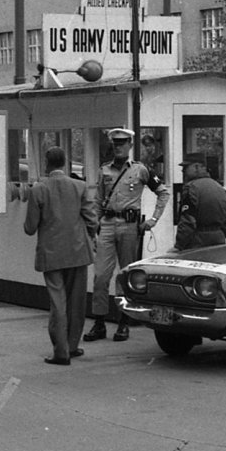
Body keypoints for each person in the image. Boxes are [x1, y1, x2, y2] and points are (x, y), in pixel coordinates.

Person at [85, 128, 170, 343]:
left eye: (122, 143)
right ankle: (99, 323)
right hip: (107, 224)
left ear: (130, 145)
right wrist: (93, 229)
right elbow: (98, 201)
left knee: (126, 276)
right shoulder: (104, 170)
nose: (119, 147)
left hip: (130, 227)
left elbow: (163, 192)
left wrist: (153, 219)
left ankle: (124, 322)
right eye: (115, 144)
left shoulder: (141, 170)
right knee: (100, 276)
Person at [23, 147, 97, 365]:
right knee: (76, 301)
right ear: (65, 162)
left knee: (58, 302)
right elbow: (92, 219)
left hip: (51, 253)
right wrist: (89, 236)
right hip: (78, 251)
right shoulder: (80, 186)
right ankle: (73, 346)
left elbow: (30, 227)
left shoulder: (39, 189)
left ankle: (61, 351)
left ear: (47, 163)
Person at [174, 152, 226, 251]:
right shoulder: (220, 188)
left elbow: (188, 221)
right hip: (218, 240)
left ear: (197, 167)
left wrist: (178, 246)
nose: (183, 171)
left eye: (186, 168)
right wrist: (218, 235)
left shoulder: (191, 188)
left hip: (196, 242)